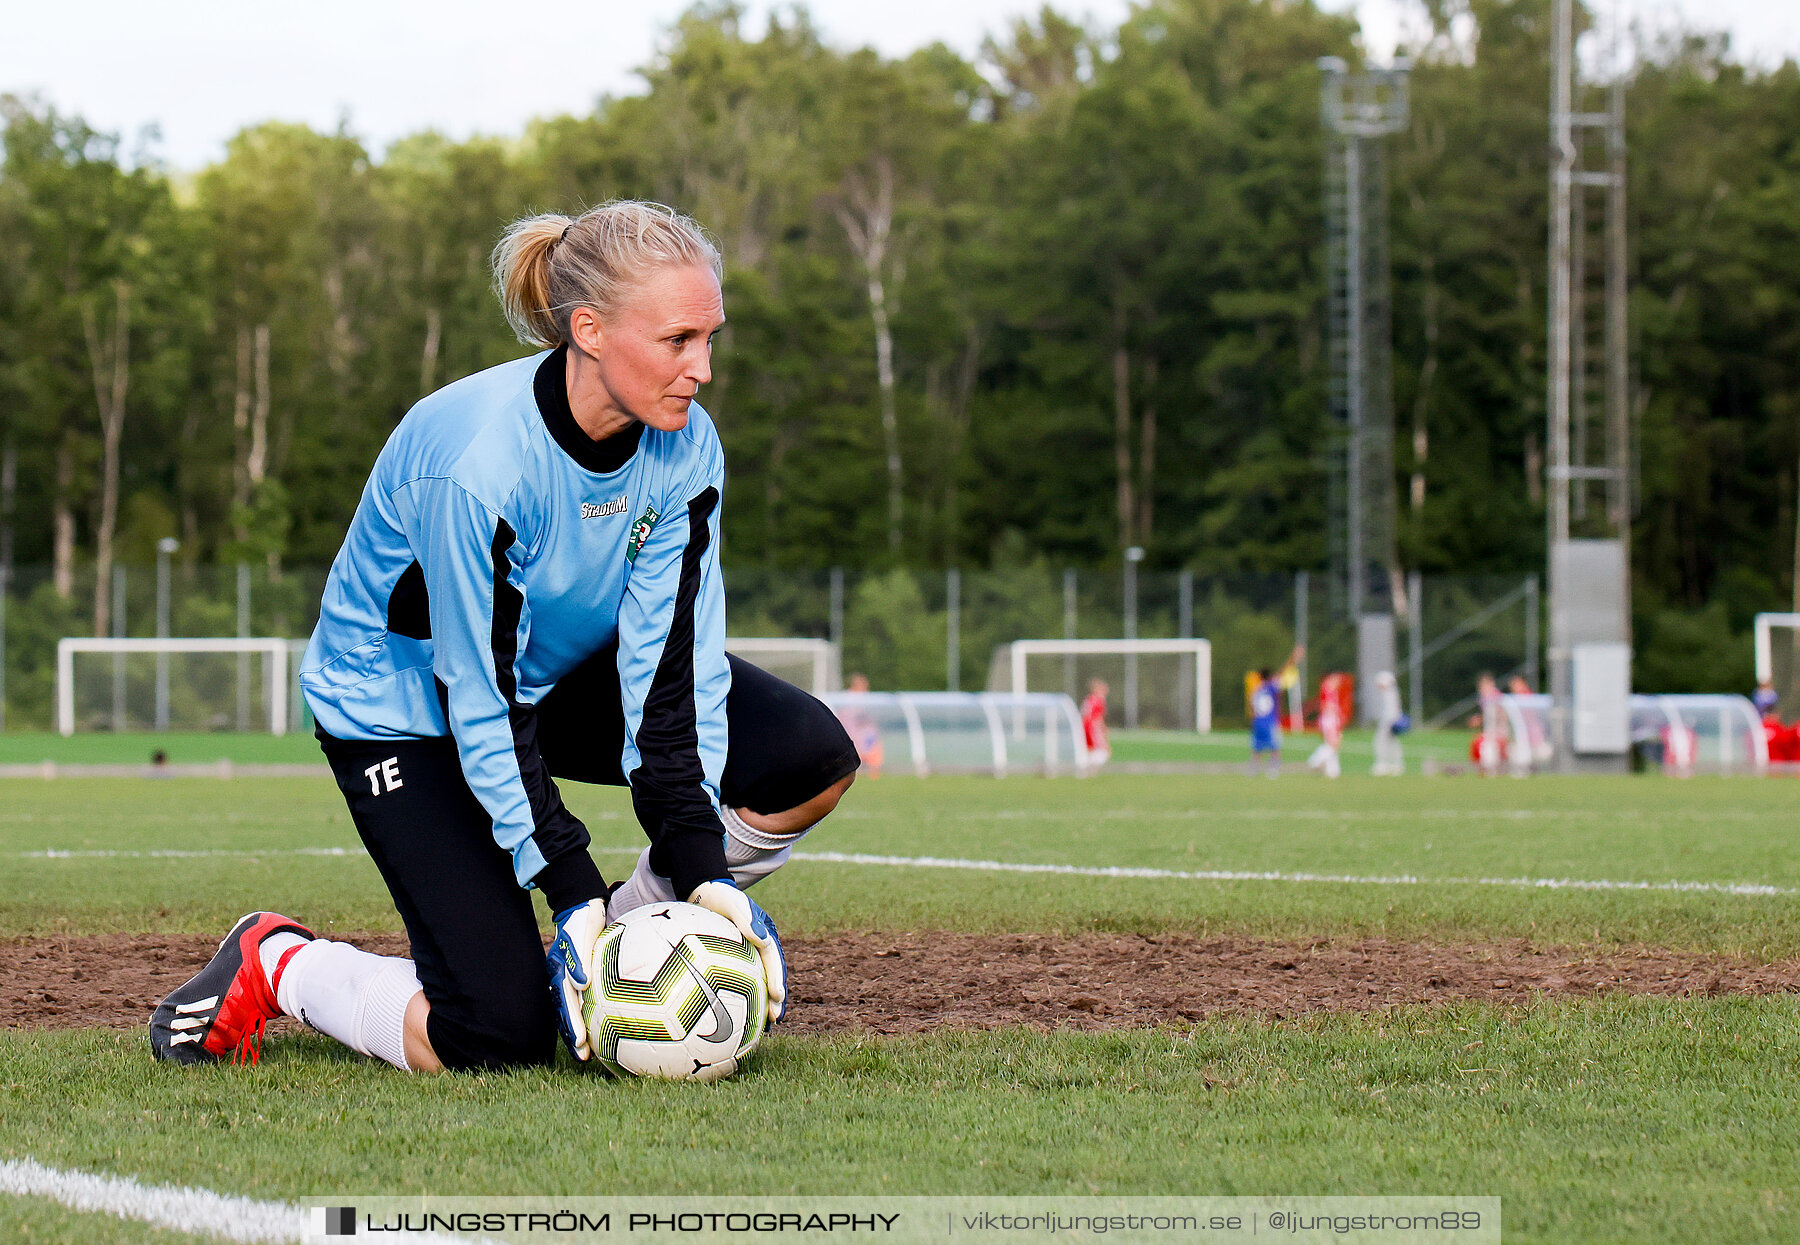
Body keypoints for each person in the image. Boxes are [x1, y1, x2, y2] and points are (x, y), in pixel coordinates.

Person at [150, 201, 860, 1074]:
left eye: (711, 338)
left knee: (806, 756)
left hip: (543, 675)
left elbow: (669, 676)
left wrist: (703, 867)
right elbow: (473, 693)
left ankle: (629, 955)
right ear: (589, 330)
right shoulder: (476, 461)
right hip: (404, 711)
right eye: (679, 339)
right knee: (496, 1036)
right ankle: (281, 961)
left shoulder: (686, 449)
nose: (703, 368)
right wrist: (568, 884)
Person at [838, 673, 885, 777]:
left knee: (874, 752)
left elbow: (870, 719)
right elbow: (845, 720)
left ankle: (874, 775)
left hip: (865, 734)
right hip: (852, 733)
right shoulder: (846, 699)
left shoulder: (866, 699)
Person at [1307, 671, 1350, 779]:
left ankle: (1332, 770)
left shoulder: (1331, 691)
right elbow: (1325, 706)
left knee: (1332, 744)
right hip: (1329, 720)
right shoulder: (1327, 690)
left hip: (1330, 719)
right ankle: (1316, 760)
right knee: (1333, 744)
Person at [1371, 670, 1405, 776]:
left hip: (1388, 724)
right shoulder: (1391, 693)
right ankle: (1394, 765)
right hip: (1388, 723)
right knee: (1392, 744)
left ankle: (1385, 765)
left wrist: (1389, 726)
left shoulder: (1389, 694)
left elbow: (1391, 712)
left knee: (1381, 744)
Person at [1248, 669, 1280, 777]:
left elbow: (1251, 707)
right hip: (1270, 721)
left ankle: (1254, 768)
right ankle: (1273, 769)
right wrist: (1294, 658)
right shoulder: (1271, 687)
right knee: (1275, 747)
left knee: (1256, 747)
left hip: (1258, 722)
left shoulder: (1256, 690)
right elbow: (1281, 672)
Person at [1081, 677, 1111, 766]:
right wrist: (1102, 729)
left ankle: (1087, 768)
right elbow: (1097, 718)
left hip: (1086, 727)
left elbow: (1084, 714)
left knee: (1090, 749)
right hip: (1092, 729)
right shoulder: (1098, 700)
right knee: (1102, 751)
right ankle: (1090, 769)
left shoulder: (1088, 699)